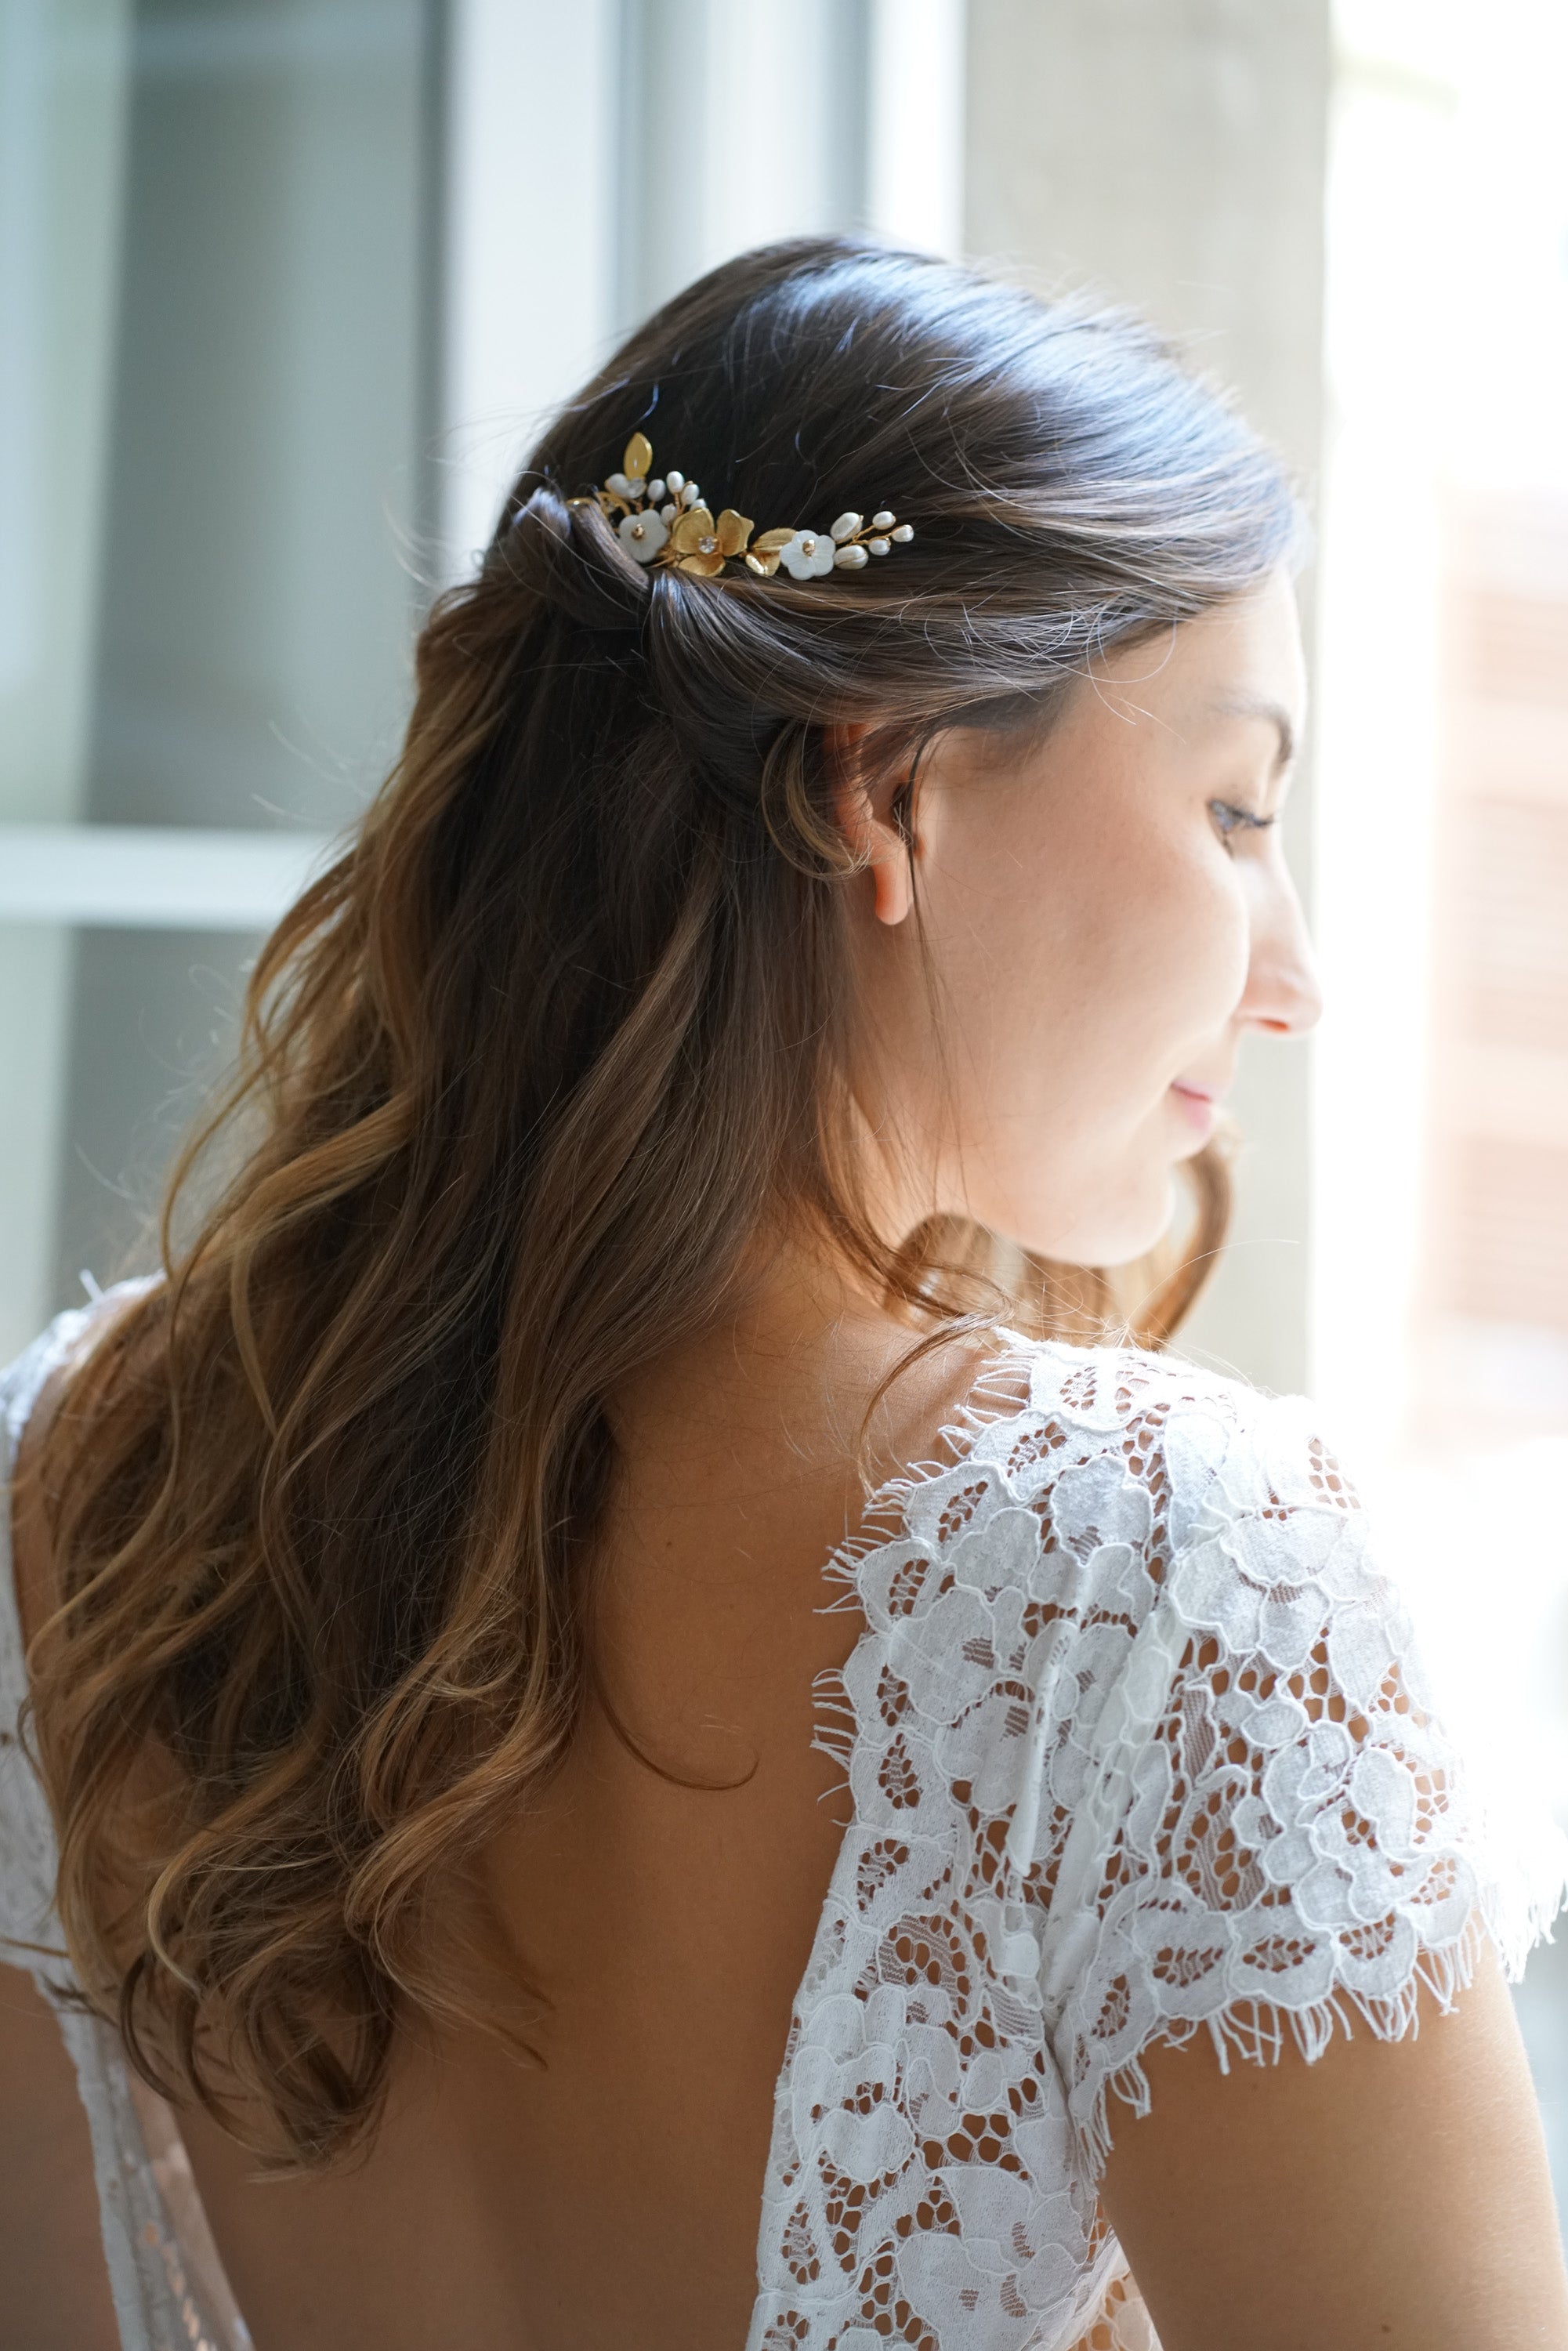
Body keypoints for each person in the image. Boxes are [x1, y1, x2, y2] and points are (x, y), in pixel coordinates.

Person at [2, 235, 1565, 2351]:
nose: (1289, 974)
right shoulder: (1159, 1576)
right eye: (1231, 807)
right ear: (886, 787)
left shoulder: (77, 1476)